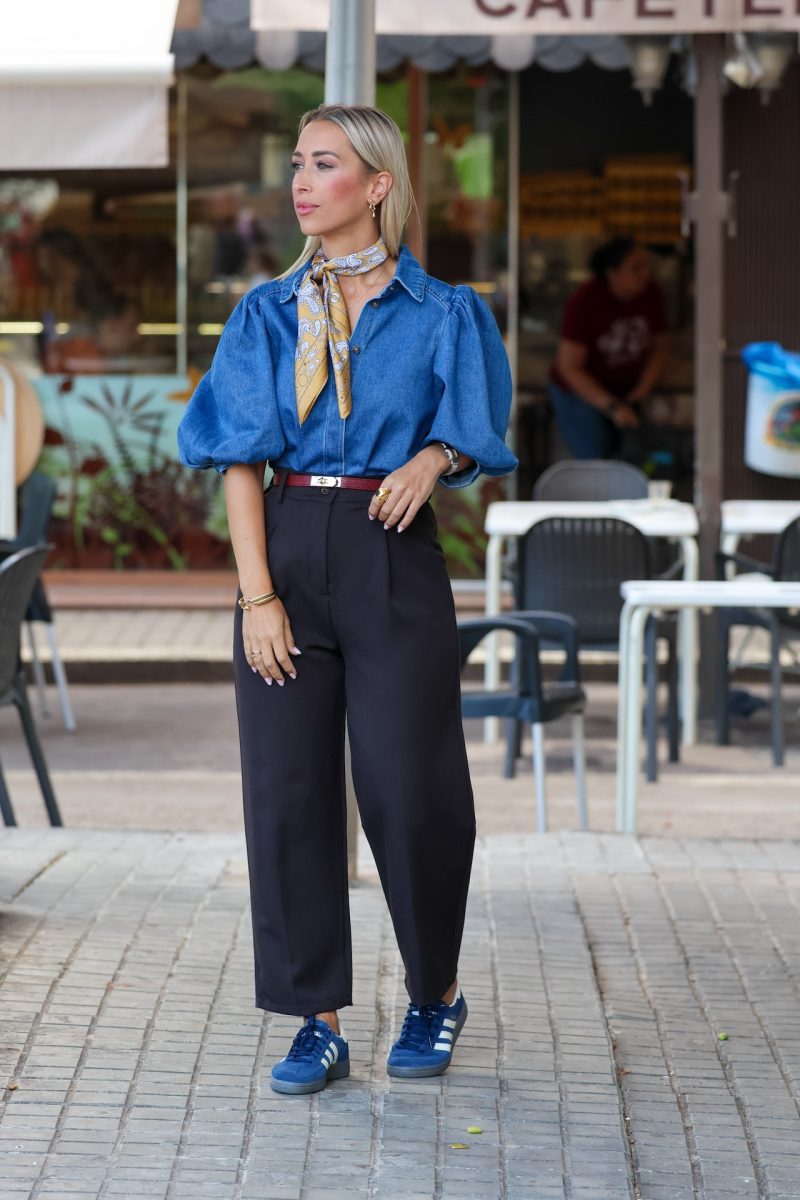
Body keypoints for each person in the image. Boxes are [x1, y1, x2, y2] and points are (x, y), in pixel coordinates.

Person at [177, 104, 517, 1096]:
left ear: (376, 184)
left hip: (390, 549)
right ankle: (314, 1018)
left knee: (410, 787)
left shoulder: (444, 312)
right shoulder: (265, 314)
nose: (299, 181)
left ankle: (434, 992)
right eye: (296, 162)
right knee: (286, 792)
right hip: (284, 547)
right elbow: (237, 460)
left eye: (322, 164)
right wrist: (257, 598)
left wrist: (432, 458)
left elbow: (476, 427)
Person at [549, 238, 669, 460]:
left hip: (627, 390)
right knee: (593, 457)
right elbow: (570, 367)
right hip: (580, 391)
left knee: (635, 456)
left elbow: (659, 347)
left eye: (647, 266)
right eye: (636, 268)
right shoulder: (584, 301)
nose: (646, 274)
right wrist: (612, 406)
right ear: (612, 273)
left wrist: (641, 391)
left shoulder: (651, 293)